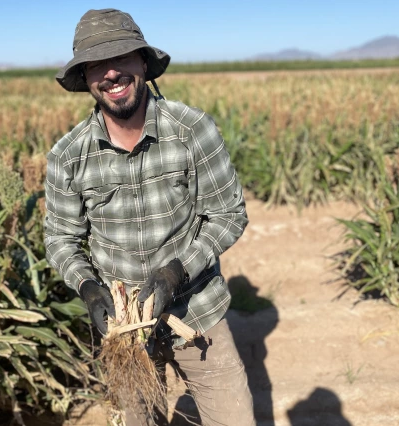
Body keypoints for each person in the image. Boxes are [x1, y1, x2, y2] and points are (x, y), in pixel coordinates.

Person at [45, 8, 255, 426]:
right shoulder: (68, 156)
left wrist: (177, 272)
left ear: (143, 62)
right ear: (85, 78)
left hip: (198, 311)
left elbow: (228, 215)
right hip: (124, 335)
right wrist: (87, 288)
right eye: (96, 65)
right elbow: (61, 240)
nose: (111, 73)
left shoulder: (192, 129)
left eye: (121, 57)